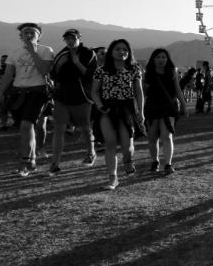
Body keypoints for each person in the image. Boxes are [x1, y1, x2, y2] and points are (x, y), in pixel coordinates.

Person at [0, 23, 55, 177]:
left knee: (26, 126)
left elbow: (44, 71)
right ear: (20, 36)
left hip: (38, 91)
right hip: (18, 92)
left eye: (33, 33)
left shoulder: (46, 50)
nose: (29, 35)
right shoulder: (14, 52)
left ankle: (24, 164)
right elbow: (8, 75)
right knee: (26, 129)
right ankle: (32, 160)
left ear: (39, 36)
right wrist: (0, 92)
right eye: (26, 33)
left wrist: (32, 51)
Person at [91, 39, 144, 190]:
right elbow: (94, 91)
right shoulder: (101, 70)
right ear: (111, 52)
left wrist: (141, 111)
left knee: (127, 146)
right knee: (110, 143)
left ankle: (128, 160)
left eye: (125, 49)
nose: (122, 52)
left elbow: (139, 92)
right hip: (106, 108)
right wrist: (100, 105)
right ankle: (113, 178)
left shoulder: (134, 69)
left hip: (127, 108)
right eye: (118, 49)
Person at [49, 28, 98, 174]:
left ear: (79, 38)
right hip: (62, 96)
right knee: (59, 129)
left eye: (73, 38)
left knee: (85, 127)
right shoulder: (62, 54)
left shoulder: (88, 53)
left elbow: (91, 75)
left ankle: (91, 153)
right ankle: (55, 163)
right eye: (67, 39)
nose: (70, 41)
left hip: (81, 96)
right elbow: (54, 73)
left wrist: (77, 63)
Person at [143, 48, 185, 175]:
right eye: (158, 57)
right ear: (153, 59)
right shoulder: (148, 74)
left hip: (168, 108)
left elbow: (178, 90)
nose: (161, 60)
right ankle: (155, 161)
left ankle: (168, 164)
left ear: (168, 59)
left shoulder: (172, 72)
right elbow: (143, 92)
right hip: (152, 107)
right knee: (152, 137)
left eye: (164, 57)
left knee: (167, 136)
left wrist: (184, 104)